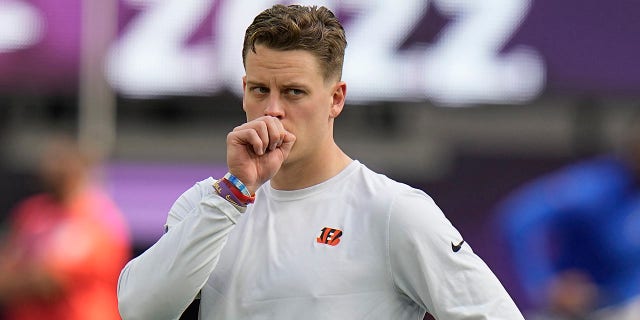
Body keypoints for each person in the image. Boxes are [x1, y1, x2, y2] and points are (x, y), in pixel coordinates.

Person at [116, 4, 523, 319]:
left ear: (336, 98)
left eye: (294, 92)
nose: (272, 110)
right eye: (260, 89)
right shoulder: (208, 204)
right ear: (243, 90)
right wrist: (234, 195)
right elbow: (140, 309)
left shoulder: (391, 211)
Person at [495, 117, 640, 319]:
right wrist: (544, 283)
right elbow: (519, 219)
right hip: (579, 313)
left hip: (626, 306)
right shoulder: (595, 185)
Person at [0, 137, 131, 320]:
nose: (53, 170)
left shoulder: (98, 217)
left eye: (62, 162)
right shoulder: (29, 212)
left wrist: (23, 275)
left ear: (78, 168)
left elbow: (51, 281)